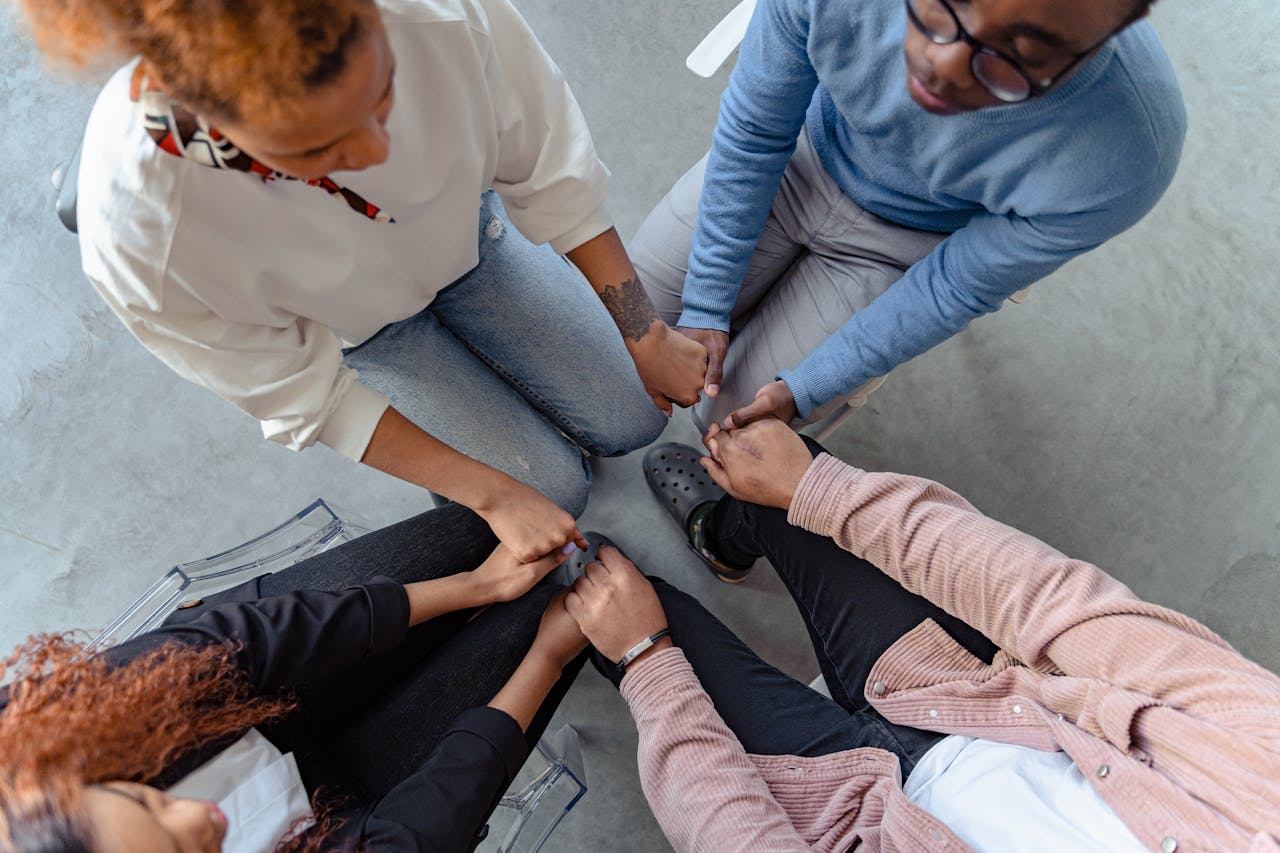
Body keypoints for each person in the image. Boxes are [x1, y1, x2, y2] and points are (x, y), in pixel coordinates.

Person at [19, 0, 708, 563]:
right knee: (551, 487)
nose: (379, 152)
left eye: (384, 95)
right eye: (318, 150)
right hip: (367, 338)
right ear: (217, 124)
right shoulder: (142, 234)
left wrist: (643, 331)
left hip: (477, 245)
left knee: (636, 413)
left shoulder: (431, 13)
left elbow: (549, 164)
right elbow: (301, 394)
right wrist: (493, 495)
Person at [564, 420, 1280, 850]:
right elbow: (1055, 603)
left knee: (610, 598)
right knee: (792, 492)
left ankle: (627, 617)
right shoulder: (1266, 775)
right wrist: (823, 488)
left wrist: (646, 661)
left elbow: (737, 837)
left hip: (844, 818)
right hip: (975, 697)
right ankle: (724, 533)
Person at [631, 0, 1185, 433]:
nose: (942, 67)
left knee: (736, 422)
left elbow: (952, 289)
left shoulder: (1130, 156)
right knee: (626, 336)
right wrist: (707, 300)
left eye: (1018, 58)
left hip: (909, 245)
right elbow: (755, 132)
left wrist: (808, 387)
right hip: (800, 147)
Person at [0, 503, 590, 851]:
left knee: (476, 535)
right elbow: (408, 839)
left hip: (248, 693)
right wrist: (547, 657)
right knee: (540, 621)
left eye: (144, 800)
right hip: (344, 817)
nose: (199, 817)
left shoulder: (28, 745)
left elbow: (249, 643)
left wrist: (475, 588)